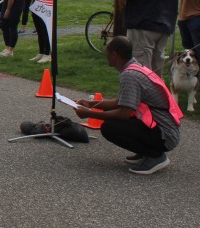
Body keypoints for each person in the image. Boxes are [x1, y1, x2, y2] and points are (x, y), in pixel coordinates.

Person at [74, 36, 182, 175]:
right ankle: (145, 152)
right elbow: (119, 102)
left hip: (165, 135)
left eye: (107, 53)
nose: (106, 56)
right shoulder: (134, 67)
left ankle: (155, 156)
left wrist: (89, 113)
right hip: (164, 129)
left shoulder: (129, 75)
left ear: (114, 55)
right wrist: (90, 103)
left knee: (109, 127)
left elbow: (123, 113)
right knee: (116, 123)